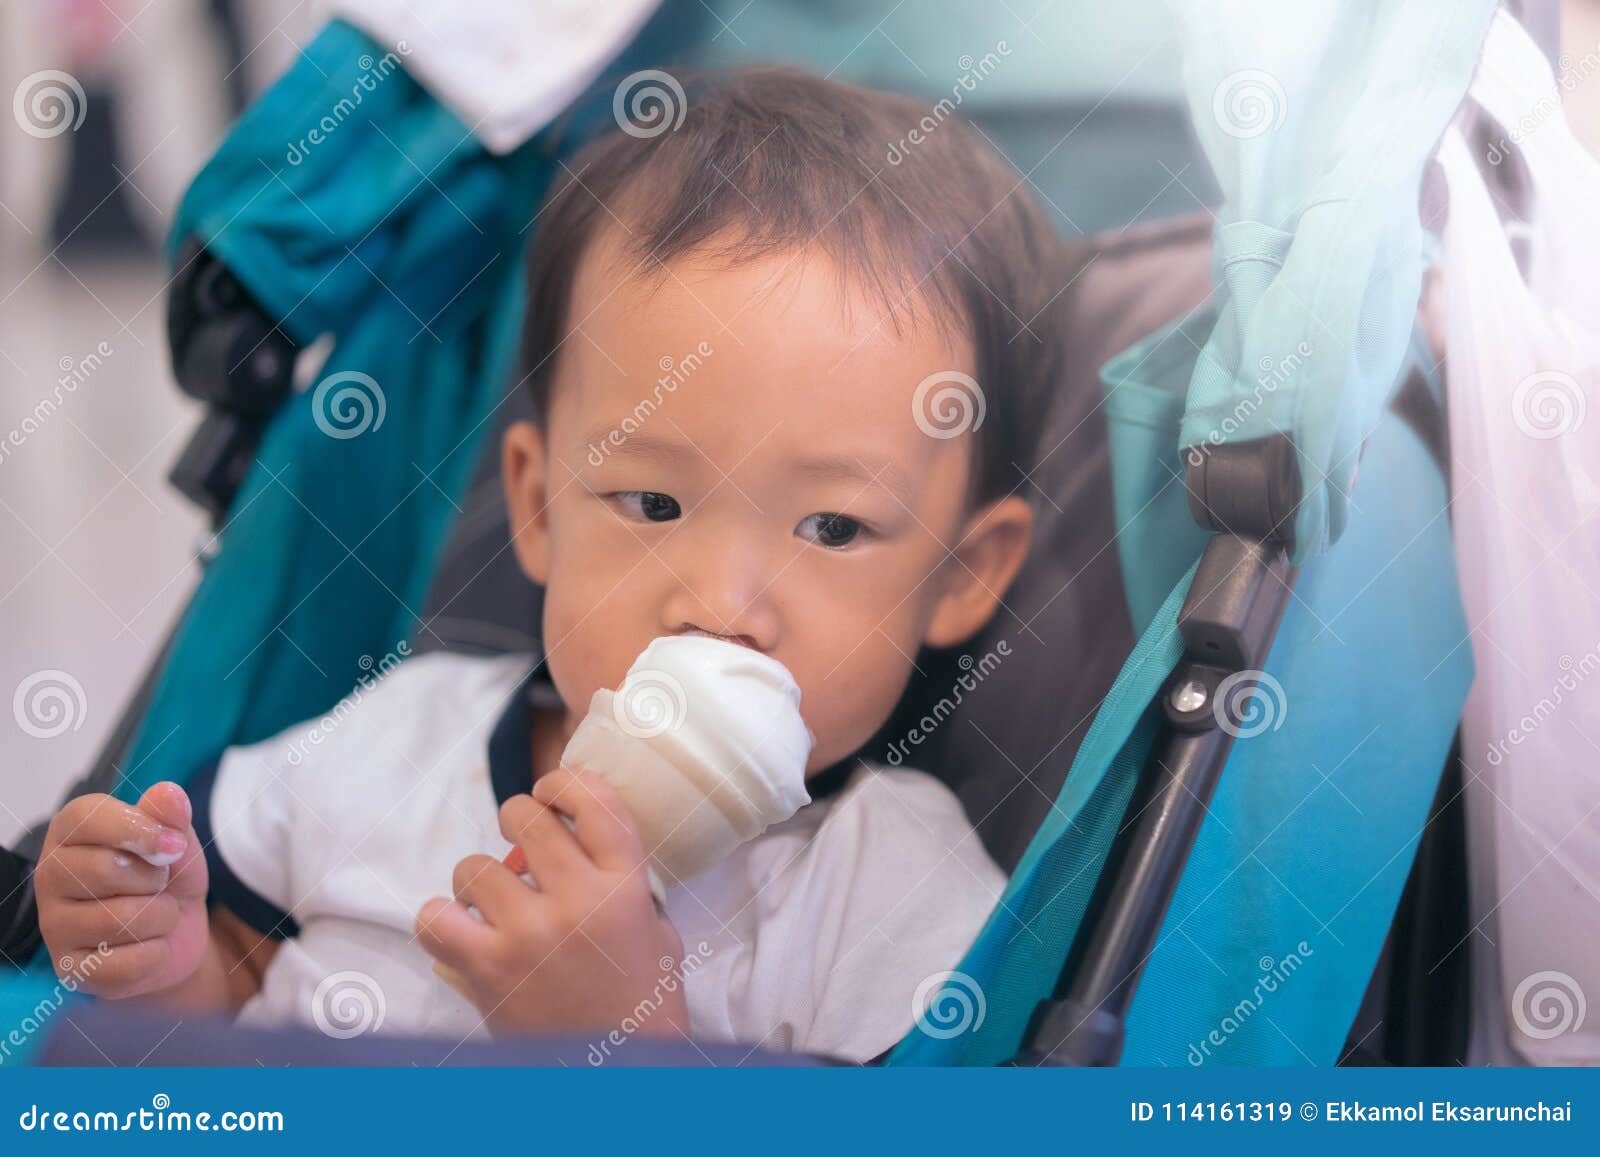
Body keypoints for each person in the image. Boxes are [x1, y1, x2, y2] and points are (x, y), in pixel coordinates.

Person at [32, 67, 1066, 1063]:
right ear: (537, 505)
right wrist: (162, 964)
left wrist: (623, 1039)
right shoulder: (399, 736)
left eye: (833, 527)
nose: (719, 605)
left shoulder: (888, 898)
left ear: (960, 573)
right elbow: (237, 1002)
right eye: (652, 503)